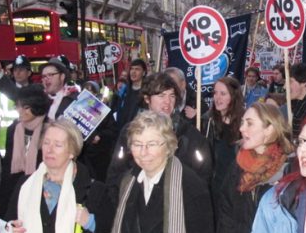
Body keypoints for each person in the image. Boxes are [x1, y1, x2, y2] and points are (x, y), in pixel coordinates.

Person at [216, 102, 294, 233]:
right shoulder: (239, 164)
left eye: (249, 123)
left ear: (269, 129)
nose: (242, 128)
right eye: (242, 122)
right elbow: (227, 216)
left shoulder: (290, 169)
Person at [105, 73, 213, 210]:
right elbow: (116, 174)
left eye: (172, 96)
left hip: (178, 210)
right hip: (138, 209)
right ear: (147, 98)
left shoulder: (190, 135)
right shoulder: (130, 132)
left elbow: (203, 177)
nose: (167, 102)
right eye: (161, 96)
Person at [0, 84, 49, 219]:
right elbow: (7, 166)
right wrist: (1, 199)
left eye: (26, 107)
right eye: (18, 106)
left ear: (37, 107)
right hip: (15, 189)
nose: (20, 111)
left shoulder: (49, 129)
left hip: (41, 191)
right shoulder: (14, 129)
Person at [203, 76, 245, 194]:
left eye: (223, 93)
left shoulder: (245, 122)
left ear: (233, 96)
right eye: (215, 93)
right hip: (214, 183)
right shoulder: (208, 120)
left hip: (236, 183)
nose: (218, 98)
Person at [0, 55, 33, 157]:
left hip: (28, 146)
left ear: (29, 73)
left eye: (21, 70)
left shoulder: (35, 91)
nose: (17, 73)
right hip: (7, 145)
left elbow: (17, 94)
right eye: (15, 70)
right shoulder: (2, 92)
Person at [116, 58, 147, 129]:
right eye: (132, 69)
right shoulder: (124, 90)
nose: (133, 72)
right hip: (123, 131)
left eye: (137, 69)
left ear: (144, 72)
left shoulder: (147, 91)